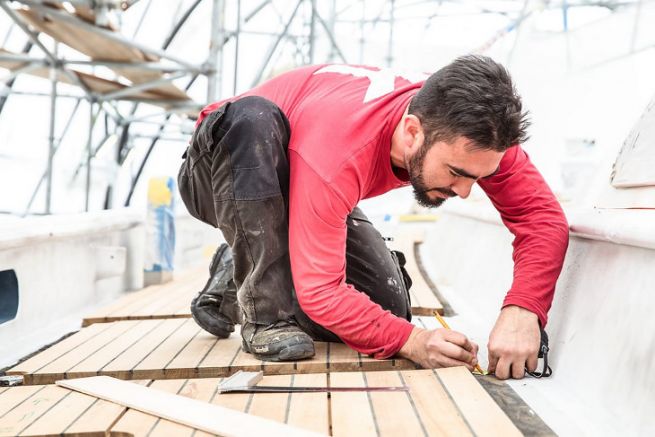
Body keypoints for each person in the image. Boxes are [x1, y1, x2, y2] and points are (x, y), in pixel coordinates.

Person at [178, 55, 569, 379]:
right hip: (224, 169)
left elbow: (542, 218)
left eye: (478, 177)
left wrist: (523, 309)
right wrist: (414, 342)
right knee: (254, 118)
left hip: (304, 181)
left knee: (389, 308)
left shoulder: (477, 135)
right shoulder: (340, 149)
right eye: (456, 174)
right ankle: (264, 314)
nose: (465, 191)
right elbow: (321, 292)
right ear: (413, 132)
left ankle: (235, 270)